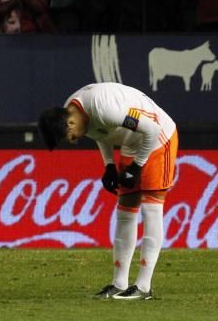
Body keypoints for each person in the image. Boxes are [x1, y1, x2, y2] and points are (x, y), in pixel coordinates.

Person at [37, 82, 179, 300]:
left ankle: (144, 287)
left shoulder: (105, 108)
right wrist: (109, 165)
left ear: (70, 121)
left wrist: (136, 166)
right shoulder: (72, 109)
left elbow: (152, 128)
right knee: (125, 209)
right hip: (132, 142)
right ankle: (119, 283)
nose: (73, 142)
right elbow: (99, 133)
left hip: (159, 138)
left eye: (71, 136)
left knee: (151, 206)